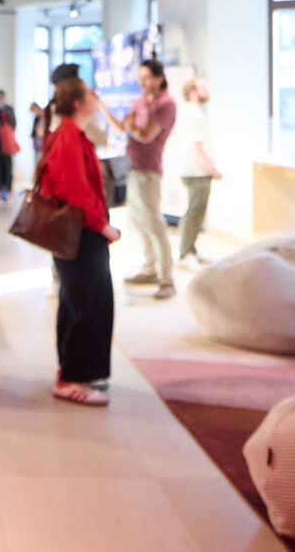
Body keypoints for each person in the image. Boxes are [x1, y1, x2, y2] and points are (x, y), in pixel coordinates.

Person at [39, 77, 121, 405]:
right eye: (90, 93)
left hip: (82, 233)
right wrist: (103, 227)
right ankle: (72, 378)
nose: (96, 97)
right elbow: (74, 191)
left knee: (84, 301)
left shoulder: (71, 134)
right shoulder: (69, 137)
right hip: (82, 233)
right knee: (85, 304)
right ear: (77, 102)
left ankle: (78, 371)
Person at [98, 59, 177, 299]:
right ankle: (150, 269)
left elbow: (145, 135)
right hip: (133, 167)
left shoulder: (167, 104)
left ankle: (167, 279)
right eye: (140, 78)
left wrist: (132, 128)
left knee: (154, 223)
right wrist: (100, 106)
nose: (142, 82)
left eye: (146, 78)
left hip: (149, 170)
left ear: (159, 78)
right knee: (141, 222)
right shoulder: (141, 101)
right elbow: (123, 127)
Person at [177, 77, 223, 270]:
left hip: (198, 171)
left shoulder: (194, 112)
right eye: (204, 87)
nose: (208, 90)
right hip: (197, 172)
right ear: (193, 90)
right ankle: (185, 253)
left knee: (197, 212)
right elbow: (197, 148)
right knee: (194, 212)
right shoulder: (192, 114)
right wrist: (213, 169)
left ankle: (191, 249)